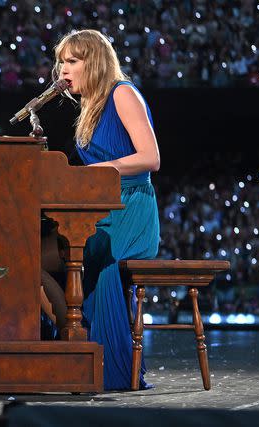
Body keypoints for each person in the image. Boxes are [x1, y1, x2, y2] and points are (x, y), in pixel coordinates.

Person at [49, 29, 161, 390]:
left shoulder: (122, 94)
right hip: (101, 210)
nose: (62, 70)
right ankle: (69, 352)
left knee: (95, 259)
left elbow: (150, 158)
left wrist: (95, 170)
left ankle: (108, 367)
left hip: (132, 210)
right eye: (61, 62)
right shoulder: (89, 107)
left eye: (72, 61)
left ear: (93, 62)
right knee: (42, 259)